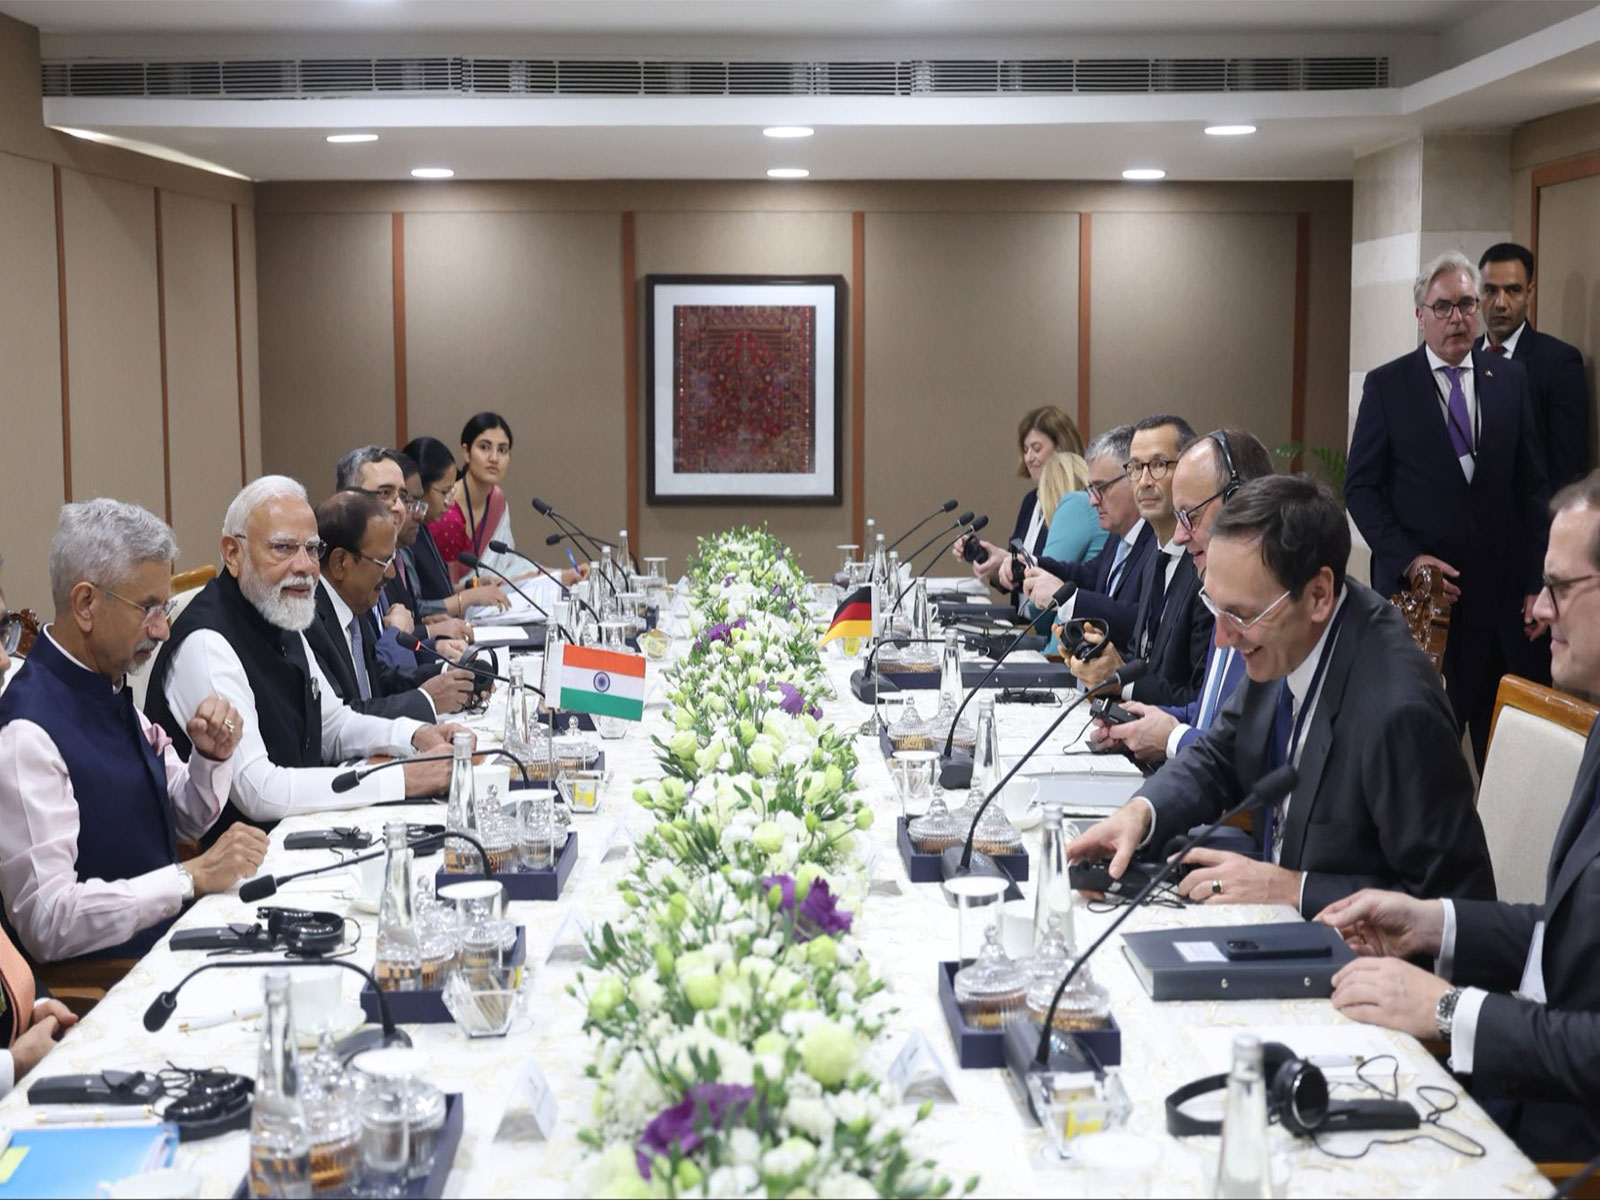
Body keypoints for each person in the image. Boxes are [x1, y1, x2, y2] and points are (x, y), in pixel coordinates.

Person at [1319, 471, 1600, 1161]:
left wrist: (1446, 1011)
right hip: (1523, 1080)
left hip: (1561, 1148)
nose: (1537, 609)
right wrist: (1432, 921)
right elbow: (1572, 939)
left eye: (1560, 587)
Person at [1066, 474, 1496, 916]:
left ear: (1319, 595)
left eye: (1240, 615)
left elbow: (1452, 909)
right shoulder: (1284, 636)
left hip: (1355, 961)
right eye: (1215, 607)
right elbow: (1219, 755)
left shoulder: (1399, 712)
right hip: (1271, 921)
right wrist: (1141, 812)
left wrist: (1295, 888)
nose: (1222, 639)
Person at [0, 500, 267, 962]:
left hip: (167, 946)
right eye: (148, 608)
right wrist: (189, 878)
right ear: (86, 604)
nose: (162, 630)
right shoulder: (28, 730)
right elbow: (48, 921)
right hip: (110, 982)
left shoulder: (107, 684)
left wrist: (211, 758)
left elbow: (183, 818)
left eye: (163, 608)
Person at [145, 476, 468, 838]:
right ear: (232, 553)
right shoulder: (207, 643)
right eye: (283, 548)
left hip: (304, 833)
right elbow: (258, 791)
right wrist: (403, 779)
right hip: (245, 865)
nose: (305, 566)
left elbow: (332, 724)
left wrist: (415, 734)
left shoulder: (278, 607)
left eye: (312, 549)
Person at [1346, 250, 1549, 768]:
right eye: (1443, 307)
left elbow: (1532, 489)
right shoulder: (1389, 386)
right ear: (1420, 316)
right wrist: (1411, 559)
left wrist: (1535, 580)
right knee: (1416, 759)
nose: (1457, 318)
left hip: (1499, 607)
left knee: (1505, 761)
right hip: (1422, 606)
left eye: (1465, 304)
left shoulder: (1509, 379)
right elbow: (1361, 489)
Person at [1092, 429, 1274, 765]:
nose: (1179, 535)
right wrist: (1139, 723)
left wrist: (1172, 737)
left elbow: (1248, 756)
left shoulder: (1276, 615)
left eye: (1190, 516)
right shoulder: (1223, 597)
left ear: (1240, 504)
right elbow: (1207, 714)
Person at [1057, 414, 1211, 707]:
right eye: (1135, 468)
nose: (1144, 481)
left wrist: (1121, 681)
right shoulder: (1153, 555)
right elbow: (1143, 660)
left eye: (1158, 465)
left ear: (1189, 470)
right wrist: (1098, 659)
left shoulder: (1205, 570)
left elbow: (1199, 702)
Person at [306, 490, 474, 722]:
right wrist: (427, 699)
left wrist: (450, 673)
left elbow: (379, 679)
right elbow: (342, 719)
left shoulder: (351, 604)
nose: (392, 573)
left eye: (392, 559)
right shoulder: (309, 623)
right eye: (383, 562)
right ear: (340, 562)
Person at [1022, 426, 1154, 651]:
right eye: (1091, 488)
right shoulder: (1118, 536)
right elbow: (1088, 575)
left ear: (1134, 478)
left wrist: (1069, 600)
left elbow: (1140, 621)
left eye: (1101, 487)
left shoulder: (1156, 542)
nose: (1092, 500)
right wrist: (1033, 563)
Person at [1479, 242, 1589, 495]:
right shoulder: (1465, 357)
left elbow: (1567, 470)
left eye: (1513, 290)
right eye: (1490, 290)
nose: (1500, 303)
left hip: (1526, 526)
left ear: (1530, 293)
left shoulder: (1558, 363)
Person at [955, 406, 1083, 606]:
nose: (1029, 458)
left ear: (1061, 448)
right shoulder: (1031, 501)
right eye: (1025, 450)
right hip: (1021, 623)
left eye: (1037, 448)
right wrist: (989, 559)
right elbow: (1011, 580)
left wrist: (1007, 560)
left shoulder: (1076, 506)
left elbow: (1059, 573)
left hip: (1048, 624)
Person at [400, 436, 512, 622]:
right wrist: (469, 598)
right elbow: (416, 607)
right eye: (444, 492)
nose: (449, 501)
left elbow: (438, 590)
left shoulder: (424, 527)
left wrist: (472, 585)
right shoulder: (404, 537)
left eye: (452, 490)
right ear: (419, 489)